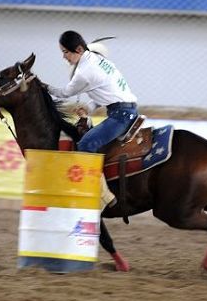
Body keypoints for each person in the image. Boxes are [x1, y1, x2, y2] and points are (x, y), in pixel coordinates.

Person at [47, 30, 139, 209]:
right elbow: (106, 93)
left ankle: (105, 195)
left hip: (120, 115)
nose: (64, 57)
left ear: (79, 49)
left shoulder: (84, 72)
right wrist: (88, 108)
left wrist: (44, 87)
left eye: (65, 52)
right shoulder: (99, 60)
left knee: (86, 144)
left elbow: (65, 93)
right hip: (125, 109)